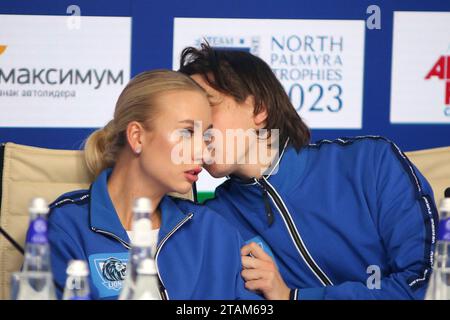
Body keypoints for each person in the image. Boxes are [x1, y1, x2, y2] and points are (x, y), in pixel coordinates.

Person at [179, 43, 439, 300]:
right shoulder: (213, 220)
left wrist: (294, 297)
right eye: (188, 122)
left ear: (259, 109)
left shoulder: (371, 163)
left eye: (207, 106)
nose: (198, 128)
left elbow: (427, 283)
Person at [47, 70, 261, 300]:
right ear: (137, 137)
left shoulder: (214, 231)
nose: (202, 151)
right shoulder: (66, 226)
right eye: (187, 132)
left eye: (206, 136)